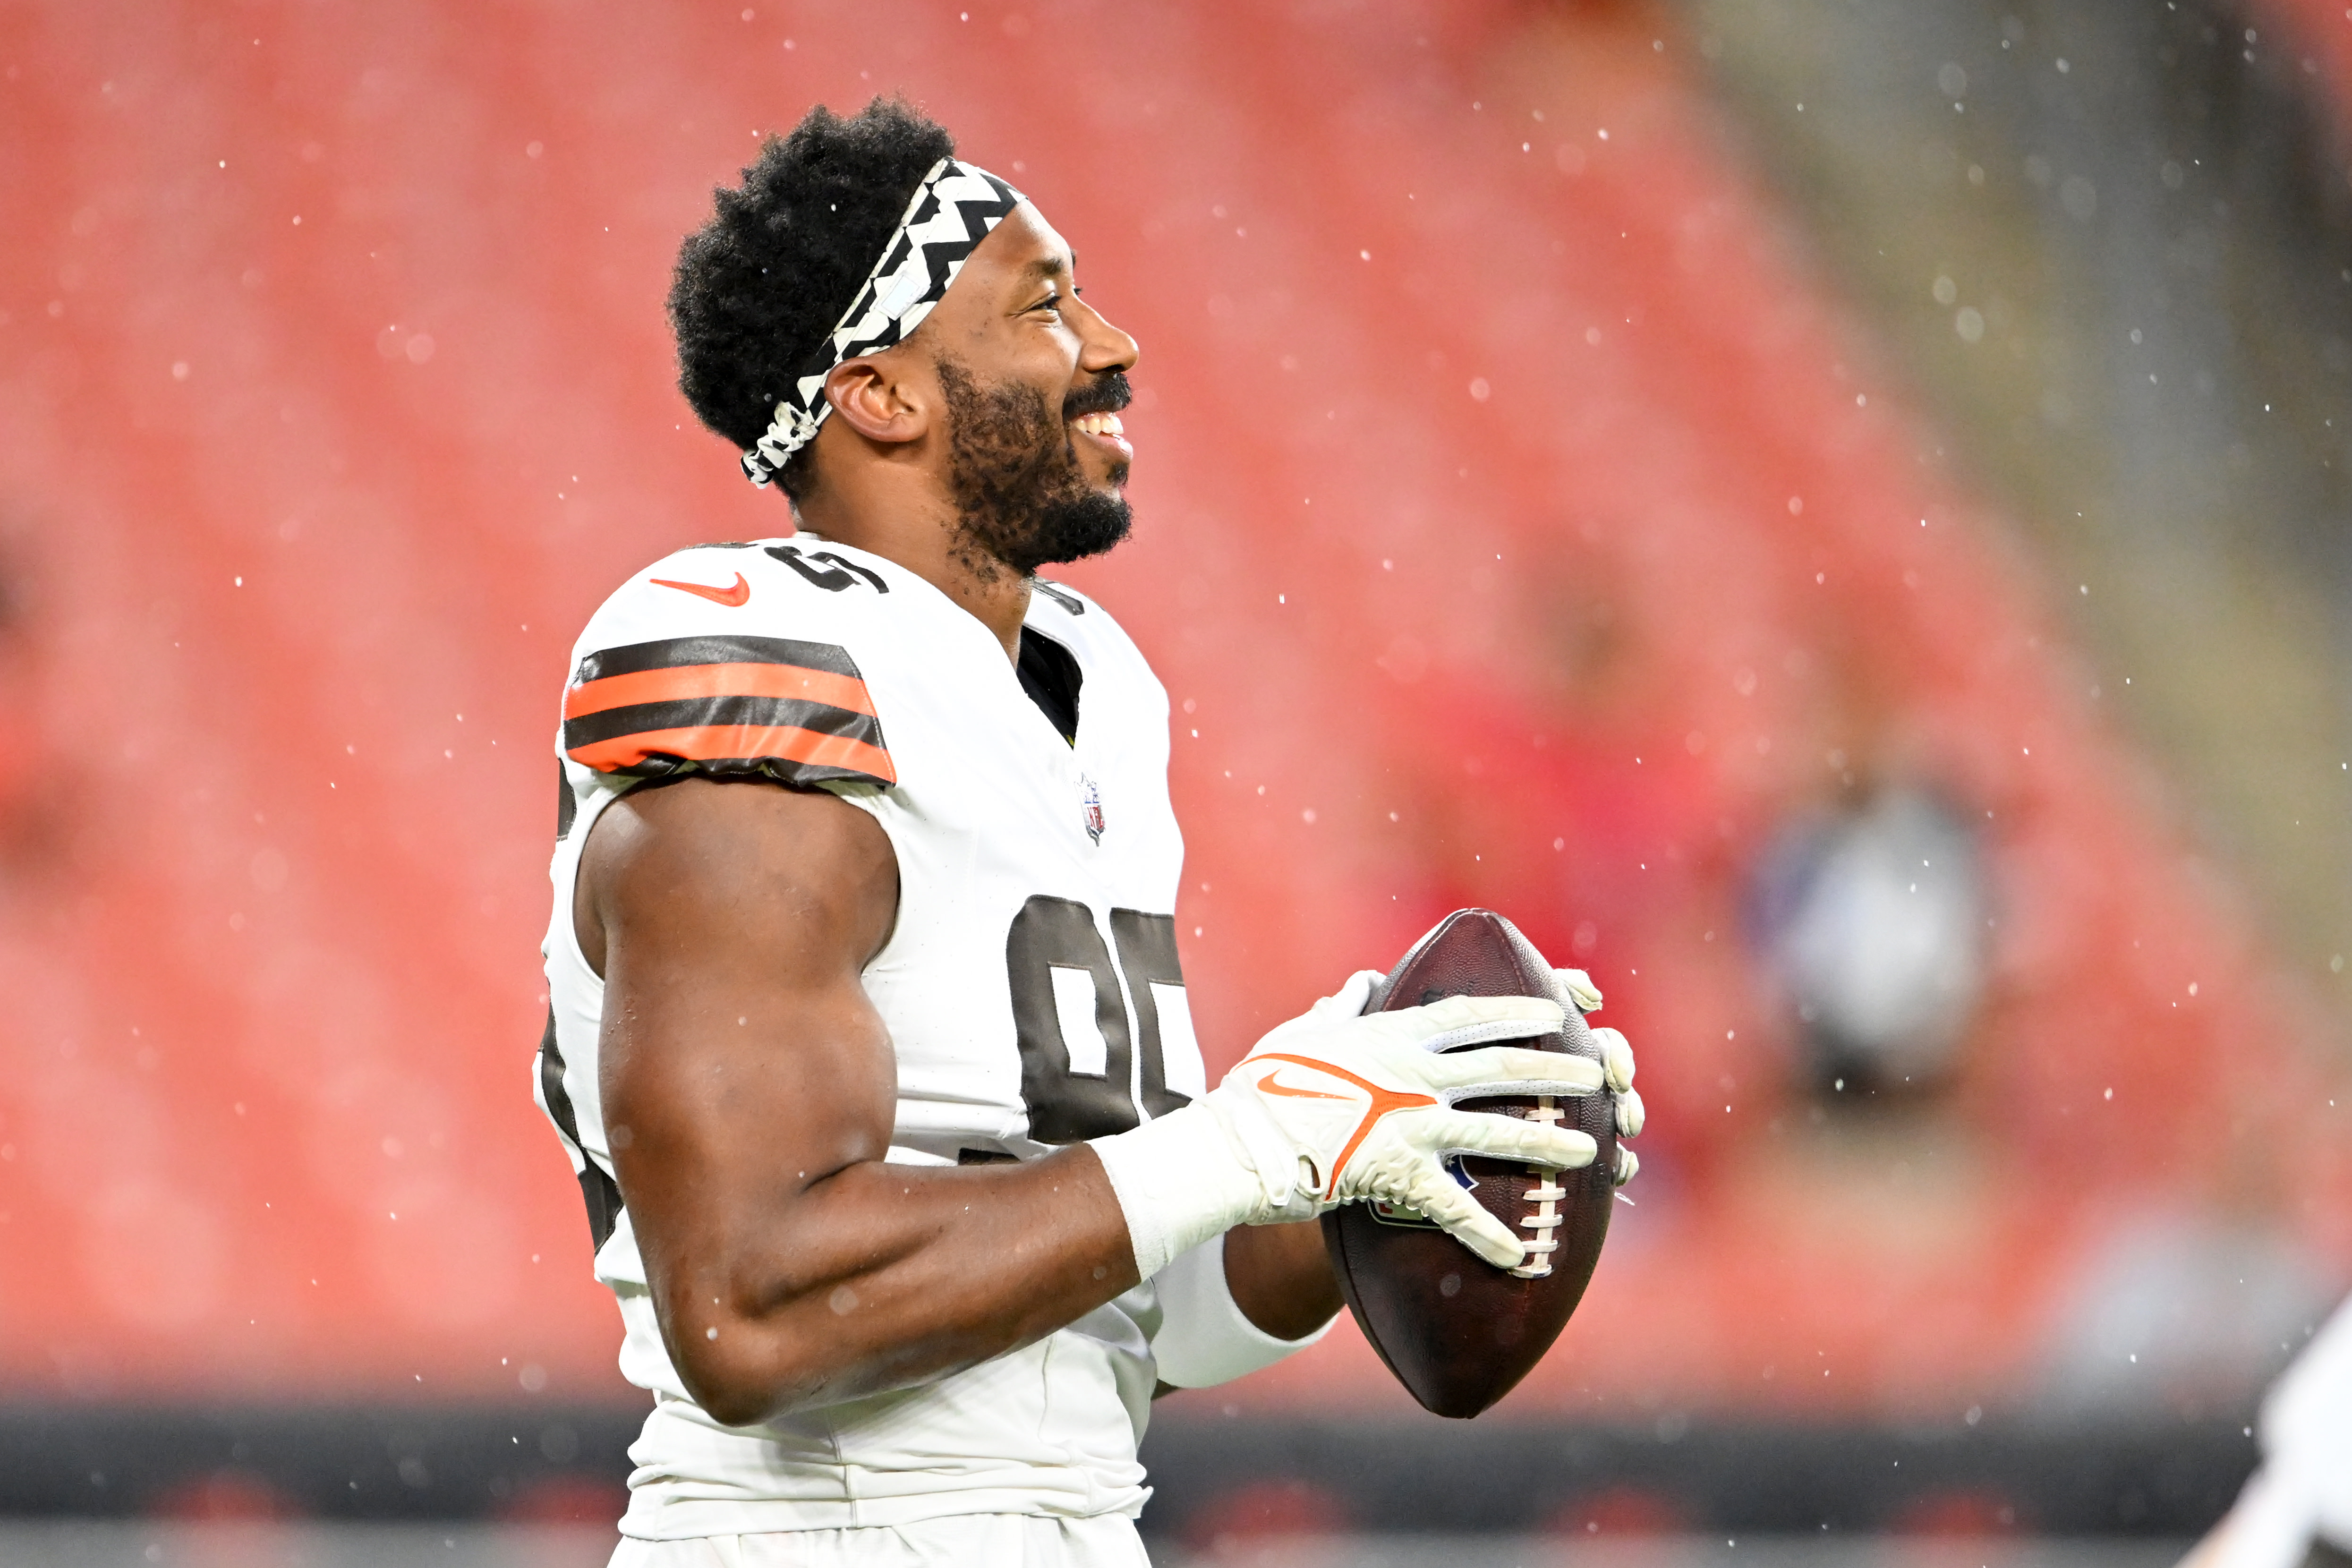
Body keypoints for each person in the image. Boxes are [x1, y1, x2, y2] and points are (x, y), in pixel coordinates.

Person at [532, 97, 1645, 1568]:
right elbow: (754, 1309)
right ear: (883, 395)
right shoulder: (767, 680)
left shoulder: (1081, 689)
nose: (1113, 346)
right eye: (1043, 306)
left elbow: (1130, 1329)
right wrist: (1250, 1144)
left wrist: (1363, 1146)